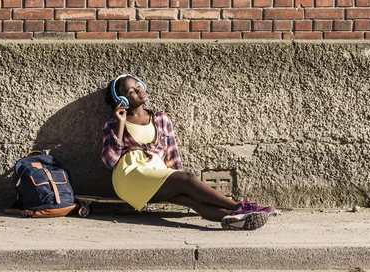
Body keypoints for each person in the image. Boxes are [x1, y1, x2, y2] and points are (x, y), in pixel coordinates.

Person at [101, 73, 275, 230]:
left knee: (190, 199)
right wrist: (121, 123)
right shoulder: (114, 123)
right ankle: (240, 207)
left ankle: (236, 218)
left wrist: (176, 174)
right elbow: (110, 161)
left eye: (139, 85)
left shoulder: (161, 119)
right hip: (130, 176)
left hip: (156, 172)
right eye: (132, 91)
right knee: (188, 179)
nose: (139, 90)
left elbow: (172, 154)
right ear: (122, 99)